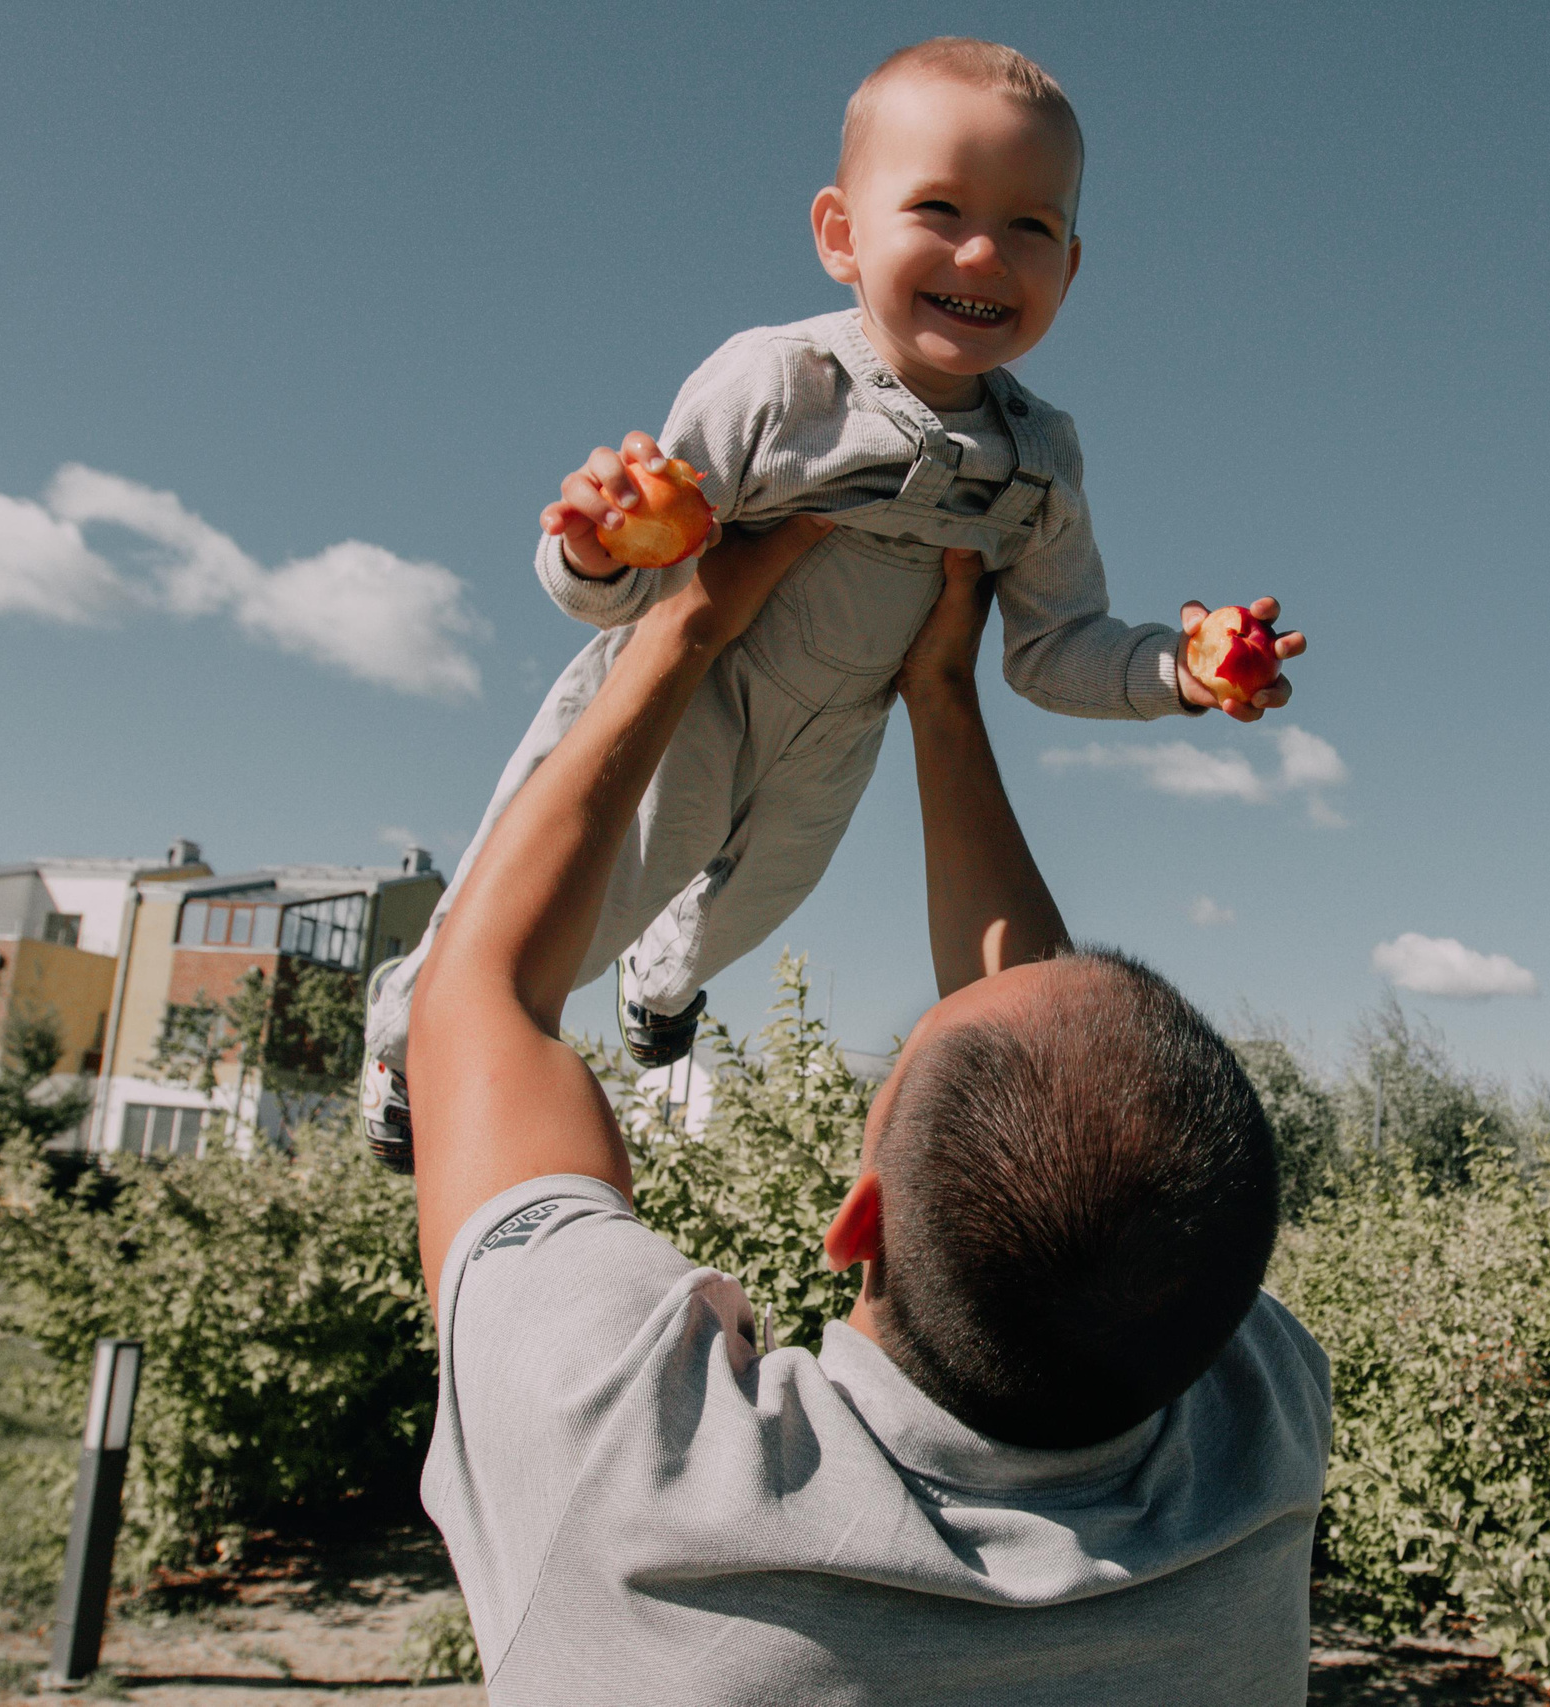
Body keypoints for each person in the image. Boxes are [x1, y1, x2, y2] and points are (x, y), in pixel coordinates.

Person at [407, 526, 1332, 1704]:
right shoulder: (1256, 1436)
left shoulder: (633, 1468)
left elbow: (471, 1005)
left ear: (860, 1223)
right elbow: (1071, 1100)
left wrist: (685, 626)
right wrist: (939, 692)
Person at [360, 38, 1304, 1153]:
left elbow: (1054, 649)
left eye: (1029, 227)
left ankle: (661, 991)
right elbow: (640, 571)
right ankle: (405, 1042)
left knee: (764, 895)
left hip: (842, 726)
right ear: (841, 237)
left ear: (1072, 266)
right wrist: (605, 549)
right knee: (580, 884)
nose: (983, 251)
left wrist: (1175, 673)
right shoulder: (779, 384)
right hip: (688, 694)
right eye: (940, 208)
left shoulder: (1039, 456)